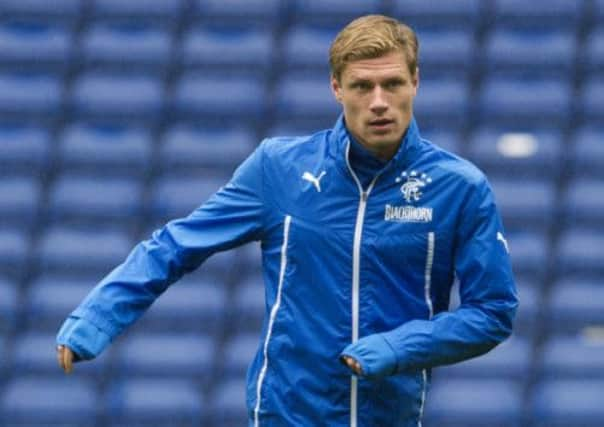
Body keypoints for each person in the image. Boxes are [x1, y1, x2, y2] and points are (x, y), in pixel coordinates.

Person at [56, 14, 518, 427]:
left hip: (391, 414)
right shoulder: (278, 168)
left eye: (392, 84)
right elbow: (175, 245)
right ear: (337, 88)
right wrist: (96, 318)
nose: (379, 101)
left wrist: (399, 348)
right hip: (286, 411)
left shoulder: (459, 188)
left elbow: (492, 313)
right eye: (362, 86)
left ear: (415, 82)